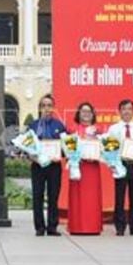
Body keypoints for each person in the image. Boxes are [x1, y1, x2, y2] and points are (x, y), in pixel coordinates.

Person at [25, 94, 65, 236]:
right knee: (38, 196)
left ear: (53, 108)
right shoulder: (33, 126)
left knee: (53, 196)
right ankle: (39, 227)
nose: (47, 108)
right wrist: (32, 156)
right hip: (38, 166)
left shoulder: (59, 125)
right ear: (40, 108)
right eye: (44, 106)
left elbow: (65, 147)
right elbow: (26, 146)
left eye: (49, 105)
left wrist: (59, 155)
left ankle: (52, 227)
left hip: (54, 166)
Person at [107, 99, 133, 236]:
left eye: (129, 109)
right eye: (124, 109)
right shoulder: (113, 128)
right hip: (120, 164)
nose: (127, 111)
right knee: (119, 197)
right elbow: (110, 148)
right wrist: (112, 163)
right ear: (119, 111)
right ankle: (120, 226)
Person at [66, 101, 103, 235]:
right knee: (77, 198)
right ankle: (77, 226)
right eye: (83, 111)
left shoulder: (98, 130)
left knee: (92, 197)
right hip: (78, 167)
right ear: (78, 114)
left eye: (89, 111)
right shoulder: (72, 129)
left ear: (93, 114)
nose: (86, 114)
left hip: (92, 168)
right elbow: (67, 148)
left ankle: (93, 226)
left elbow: (105, 150)